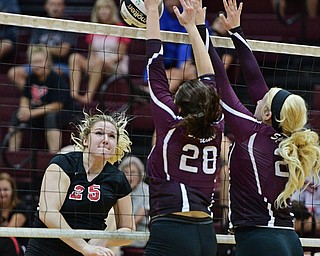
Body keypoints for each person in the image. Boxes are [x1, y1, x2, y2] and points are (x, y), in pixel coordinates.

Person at [198, 0, 320, 255]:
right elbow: (254, 79)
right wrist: (236, 31)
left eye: (265, 97)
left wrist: (201, 28)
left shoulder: (252, 131)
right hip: (288, 239)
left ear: (266, 113)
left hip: (261, 239)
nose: (260, 94)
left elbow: (222, 83)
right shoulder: (289, 136)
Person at [144, 0, 224, 255]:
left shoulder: (170, 123)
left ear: (179, 103)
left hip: (172, 229)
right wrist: (192, 26)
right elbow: (209, 76)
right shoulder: (216, 125)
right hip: (206, 233)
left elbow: (155, 63)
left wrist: (151, 11)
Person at [25, 110, 136, 256]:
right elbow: (48, 213)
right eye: (98, 133)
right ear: (85, 140)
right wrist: (83, 246)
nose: (106, 139)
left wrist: (104, 239)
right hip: (45, 250)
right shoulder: (63, 164)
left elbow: (128, 230)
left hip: (89, 252)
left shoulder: (117, 179)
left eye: (111, 136)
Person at [7, 45, 78, 154]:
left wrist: (31, 113)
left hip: (66, 113)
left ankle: (53, 155)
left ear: (48, 61)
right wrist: (24, 109)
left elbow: (57, 105)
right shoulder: (31, 78)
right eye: (34, 62)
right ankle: (12, 154)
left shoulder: (56, 78)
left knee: (52, 116)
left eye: (40, 61)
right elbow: (25, 97)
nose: (37, 65)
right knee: (17, 115)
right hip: (41, 113)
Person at [68, 0, 131, 105]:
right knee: (74, 57)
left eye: (106, 8)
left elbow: (120, 56)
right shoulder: (94, 28)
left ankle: (88, 97)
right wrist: (92, 62)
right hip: (97, 65)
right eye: (100, 9)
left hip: (115, 66)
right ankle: (73, 94)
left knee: (99, 62)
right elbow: (91, 53)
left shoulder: (121, 28)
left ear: (112, 10)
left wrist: (103, 61)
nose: (103, 11)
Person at [7, 0, 77, 91]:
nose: (55, 8)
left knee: (53, 72)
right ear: (46, 6)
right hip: (38, 62)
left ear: (63, 6)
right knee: (14, 73)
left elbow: (63, 51)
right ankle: (33, 97)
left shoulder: (69, 24)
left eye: (59, 5)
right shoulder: (40, 23)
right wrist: (40, 60)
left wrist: (42, 48)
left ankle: (49, 99)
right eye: (52, 4)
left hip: (60, 65)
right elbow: (31, 49)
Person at [159, 0, 197, 93]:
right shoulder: (159, 13)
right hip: (164, 63)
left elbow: (189, 40)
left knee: (189, 72)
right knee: (175, 75)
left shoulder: (189, 13)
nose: (171, 2)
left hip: (185, 62)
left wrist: (184, 62)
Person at [118, 155, 149, 249]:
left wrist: (125, 229)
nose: (129, 176)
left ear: (140, 175)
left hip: (138, 232)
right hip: (118, 230)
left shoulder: (146, 189)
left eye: (133, 172)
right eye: (126, 172)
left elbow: (141, 214)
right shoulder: (118, 189)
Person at [0, 172, 29, 254]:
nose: (2, 193)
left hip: (20, 248)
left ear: (12, 190)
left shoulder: (20, 207)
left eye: (5, 189)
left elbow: (8, 231)